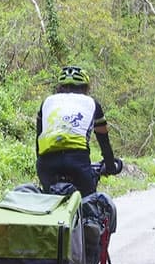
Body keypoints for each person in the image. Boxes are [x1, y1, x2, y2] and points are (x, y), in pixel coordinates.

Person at [35, 64, 122, 197]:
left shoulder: (47, 102)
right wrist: (110, 166)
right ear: (85, 87)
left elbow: (39, 138)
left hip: (46, 163)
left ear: (60, 87)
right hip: (77, 161)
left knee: (48, 202)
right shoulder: (92, 103)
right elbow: (104, 142)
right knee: (89, 202)